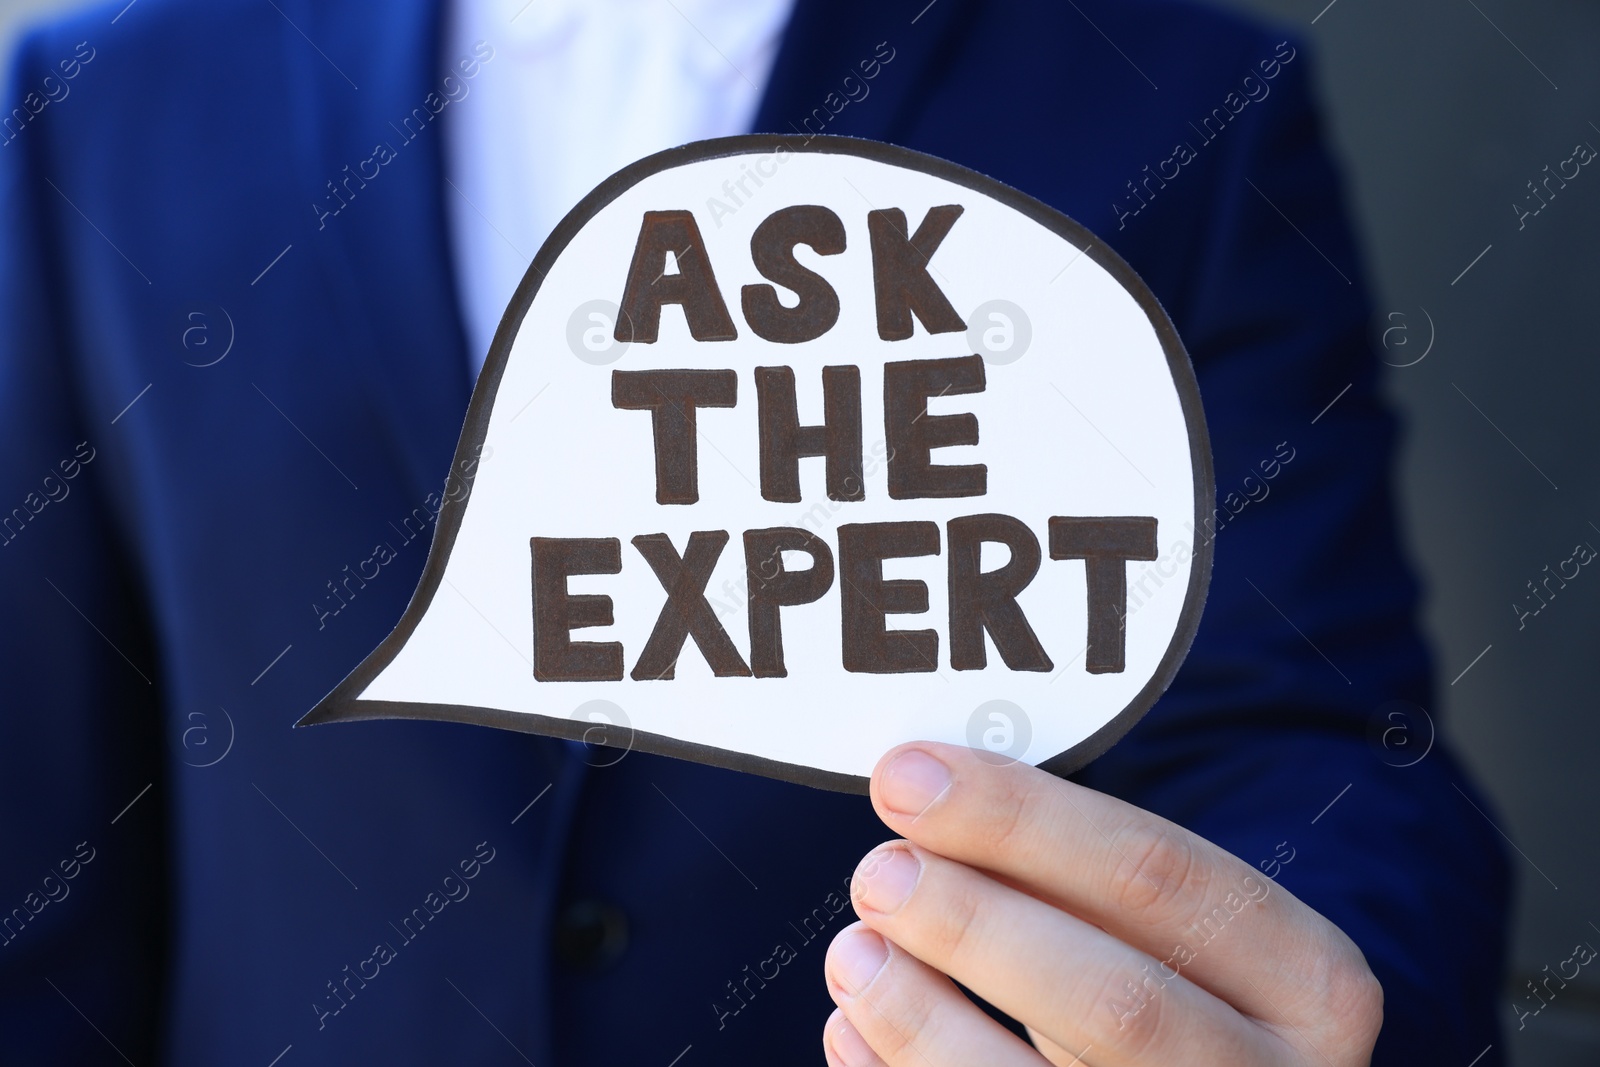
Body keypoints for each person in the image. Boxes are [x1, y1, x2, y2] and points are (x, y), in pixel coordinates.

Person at [0, 0, 1509, 1063]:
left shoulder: (1178, 98)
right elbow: (46, 825)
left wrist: (1289, 1003)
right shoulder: (102, 101)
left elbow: (1314, 741)